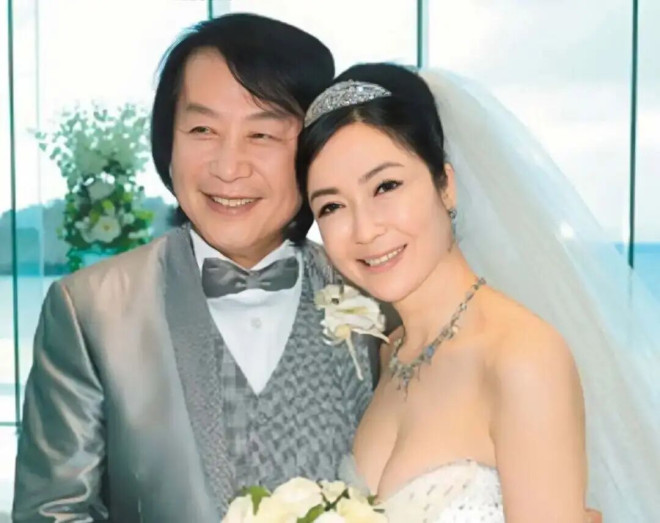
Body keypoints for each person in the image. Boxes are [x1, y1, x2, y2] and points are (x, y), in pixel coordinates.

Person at [12, 14, 375, 522]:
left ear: (316, 150)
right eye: (203, 129)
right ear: (168, 141)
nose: (228, 168)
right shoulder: (90, 309)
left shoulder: (374, 300)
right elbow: (52, 511)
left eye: (262, 134)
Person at [297, 63, 660, 521]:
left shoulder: (521, 358)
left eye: (386, 186)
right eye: (331, 206)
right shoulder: (392, 353)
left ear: (446, 186)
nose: (365, 229)